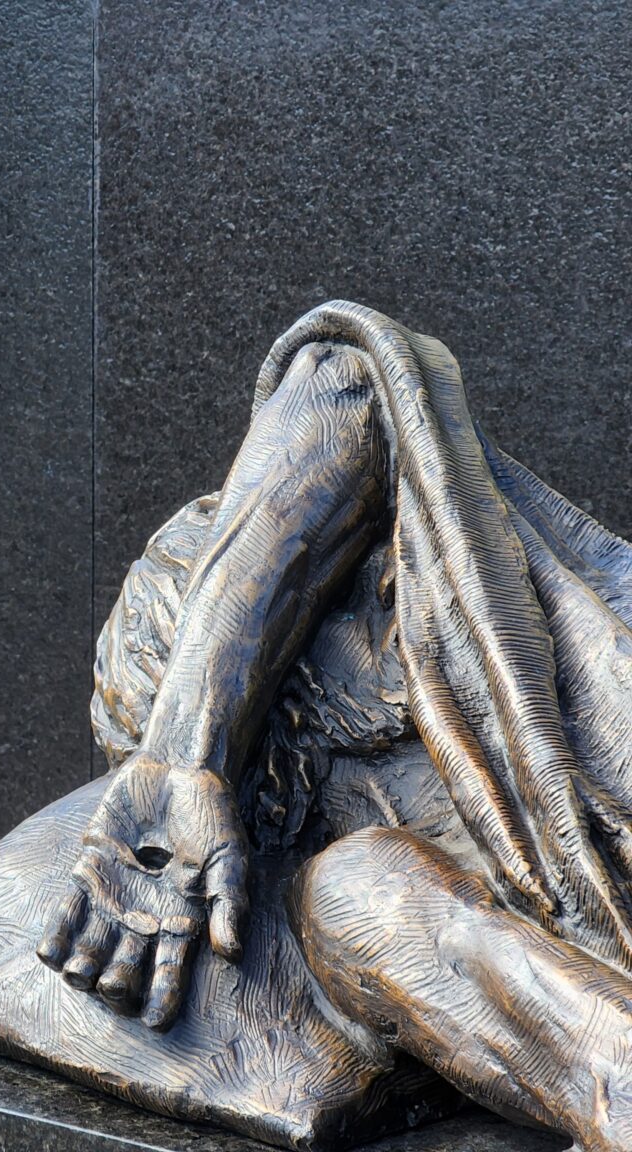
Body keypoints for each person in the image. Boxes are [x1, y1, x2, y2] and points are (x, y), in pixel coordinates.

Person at [31, 301, 632, 1152]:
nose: (397, 577)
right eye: (344, 589)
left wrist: (184, 750)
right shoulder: (382, 893)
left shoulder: (533, 665)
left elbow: (348, 386)